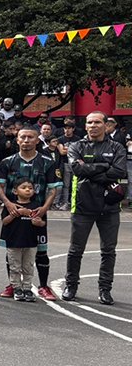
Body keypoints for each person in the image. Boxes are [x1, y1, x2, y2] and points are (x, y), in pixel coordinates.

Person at [63, 111, 126, 305]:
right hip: (83, 205)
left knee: (108, 251)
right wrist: (105, 167)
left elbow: (120, 171)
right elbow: (77, 169)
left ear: (106, 125)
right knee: (76, 250)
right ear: (85, 126)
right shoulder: (76, 146)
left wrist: (89, 169)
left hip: (110, 206)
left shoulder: (117, 147)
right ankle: (71, 286)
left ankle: (105, 289)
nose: (93, 125)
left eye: (97, 122)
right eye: (89, 122)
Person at [0, 127, 61, 300]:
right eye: (22, 137)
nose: (26, 140)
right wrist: (8, 203)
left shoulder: (47, 162)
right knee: (13, 251)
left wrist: (44, 208)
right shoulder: (7, 162)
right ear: (17, 140)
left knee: (40, 250)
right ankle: (14, 285)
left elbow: (53, 189)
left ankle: (43, 286)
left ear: (37, 140)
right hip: (13, 212)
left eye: (30, 137)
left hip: (37, 212)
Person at [1, 179, 47, 303]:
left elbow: (43, 222)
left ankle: (27, 288)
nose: (27, 190)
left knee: (28, 267)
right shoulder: (11, 206)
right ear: (15, 191)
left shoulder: (36, 206)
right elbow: (4, 221)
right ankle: (16, 288)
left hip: (31, 242)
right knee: (15, 267)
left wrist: (39, 223)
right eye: (24, 187)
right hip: (14, 242)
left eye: (30, 188)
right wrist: (17, 213)